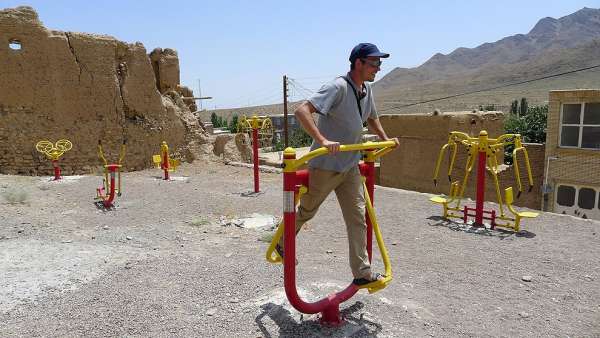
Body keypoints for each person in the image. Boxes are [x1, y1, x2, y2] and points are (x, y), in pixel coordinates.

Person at [277, 43, 400, 287]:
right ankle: (282, 242)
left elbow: (372, 118)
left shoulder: (366, 91)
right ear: (359, 63)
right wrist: (322, 140)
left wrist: (385, 139)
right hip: (326, 164)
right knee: (307, 211)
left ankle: (362, 272)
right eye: (374, 63)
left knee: (358, 218)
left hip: (350, 165)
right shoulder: (338, 87)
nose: (378, 68)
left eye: (379, 64)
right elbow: (302, 110)